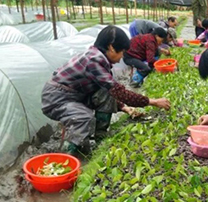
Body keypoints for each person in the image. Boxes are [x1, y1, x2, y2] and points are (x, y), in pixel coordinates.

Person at [41, 26, 171, 157]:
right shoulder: (94, 60)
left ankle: (100, 137)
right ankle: (74, 155)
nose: (121, 58)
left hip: (75, 94)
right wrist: (152, 102)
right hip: (56, 98)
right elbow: (119, 92)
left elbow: (110, 90)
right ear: (111, 47)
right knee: (83, 116)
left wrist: (125, 108)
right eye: (121, 52)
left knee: (107, 92)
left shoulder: (100, 59)